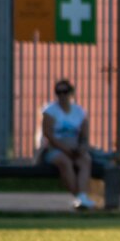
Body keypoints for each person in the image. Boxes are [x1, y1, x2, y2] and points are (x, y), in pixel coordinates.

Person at [37, 79, 96, 210]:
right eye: (59, 92)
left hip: (74, 148)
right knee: (65, 162)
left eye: (65, 91)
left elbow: (84, 136)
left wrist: (81, 148)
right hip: (54, 149)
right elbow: (48, 135)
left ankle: (82, 197)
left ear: (71, 93)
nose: (62, 95)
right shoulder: (50, 111)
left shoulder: (79, 111)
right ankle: (80, 197)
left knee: (85, 160)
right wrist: (65, 149)